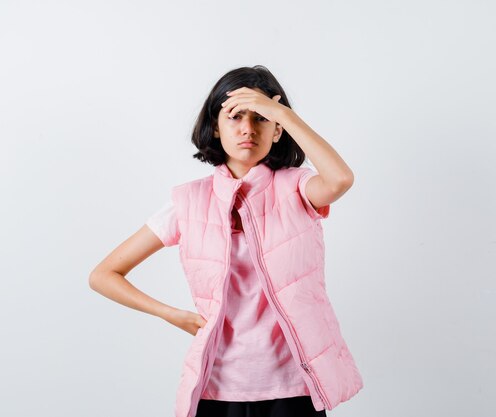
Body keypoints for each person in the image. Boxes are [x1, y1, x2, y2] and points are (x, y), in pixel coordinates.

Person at [89, 65, 363, 417]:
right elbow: (104, 275)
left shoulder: (297, 187)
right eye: (235, 116)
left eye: (261, 118)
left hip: (295, 388)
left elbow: (340, 179)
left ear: (278, 129)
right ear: (215, 127)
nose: (248, 128)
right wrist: (173, 315)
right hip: (217, 389)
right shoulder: (188, 202)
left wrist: (281, 112)